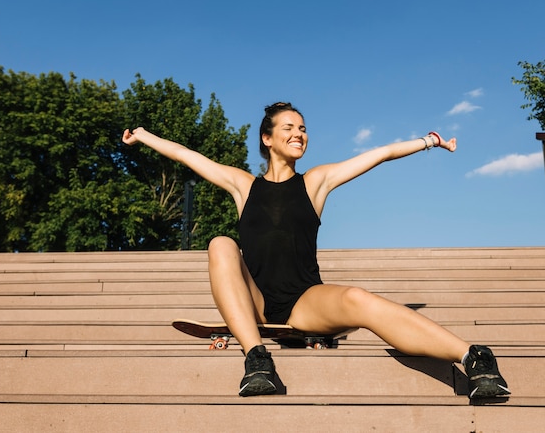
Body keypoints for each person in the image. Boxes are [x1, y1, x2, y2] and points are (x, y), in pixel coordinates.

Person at [122, 102, 510, 399]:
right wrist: (143, 136)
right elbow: (188, 156)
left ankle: (474, 358)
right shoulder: (243, 185)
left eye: (303, 129)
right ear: (267, 139)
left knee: (358, 297)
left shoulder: (316, 182)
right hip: (256, 300)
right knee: (221, 244)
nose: (299, 134)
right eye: (289, 128)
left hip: (305, 301)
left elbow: (379, 154)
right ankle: (257, 360)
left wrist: (430, 141)